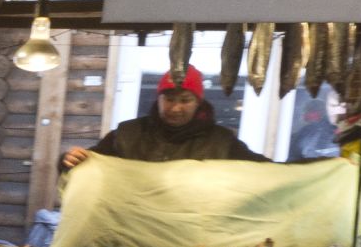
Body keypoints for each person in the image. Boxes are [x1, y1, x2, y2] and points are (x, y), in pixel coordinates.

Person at [61, 68, 270, 170]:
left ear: (198, 102)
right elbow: (85, 166)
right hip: (128, 238)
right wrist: (67, 161)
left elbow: (264, 171)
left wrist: (301, 170)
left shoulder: (222, 142)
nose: (176, 107)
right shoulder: (127, 134)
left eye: (185, 100)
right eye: (168, 99)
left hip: (196, 244)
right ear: (158, 99)